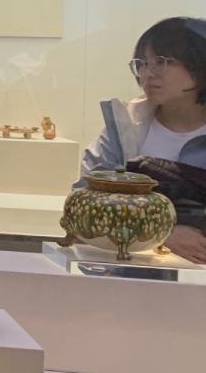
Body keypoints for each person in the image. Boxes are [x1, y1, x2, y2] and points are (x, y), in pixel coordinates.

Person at [80, 17, 206, 263]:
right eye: (142, 64)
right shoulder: (124, 128)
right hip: (132, 267)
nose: (148, 74)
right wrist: (161, 234)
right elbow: (85, 202)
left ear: (199, 64)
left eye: (162, 62)